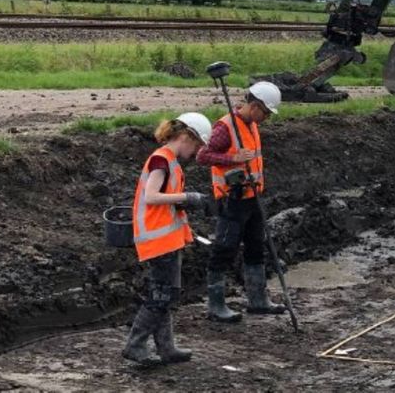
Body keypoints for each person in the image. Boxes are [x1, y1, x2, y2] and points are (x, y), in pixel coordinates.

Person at [122, 112, 212, 366]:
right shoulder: (161, 160)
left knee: (166, 294)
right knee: (161, 296)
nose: (195, 152)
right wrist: (188, 197)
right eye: (196, 145)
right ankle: (135, 344)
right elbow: (151, 197)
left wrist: (186, 227)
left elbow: (168, 208)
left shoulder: (170, 161)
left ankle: (166, 347)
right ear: (185, 136)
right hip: (158, 242)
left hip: (168, 240)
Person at [196, 81, 285, 323]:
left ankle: (258, 300)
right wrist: (232, 157)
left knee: (257, 245)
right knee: (224, 248)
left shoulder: (251, 125)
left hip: (252, 196)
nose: (266, 118)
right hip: (232, 199)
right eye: (265, 113)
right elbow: (202, 156)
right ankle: (216, 305)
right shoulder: (226, 127)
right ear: (255, 106)